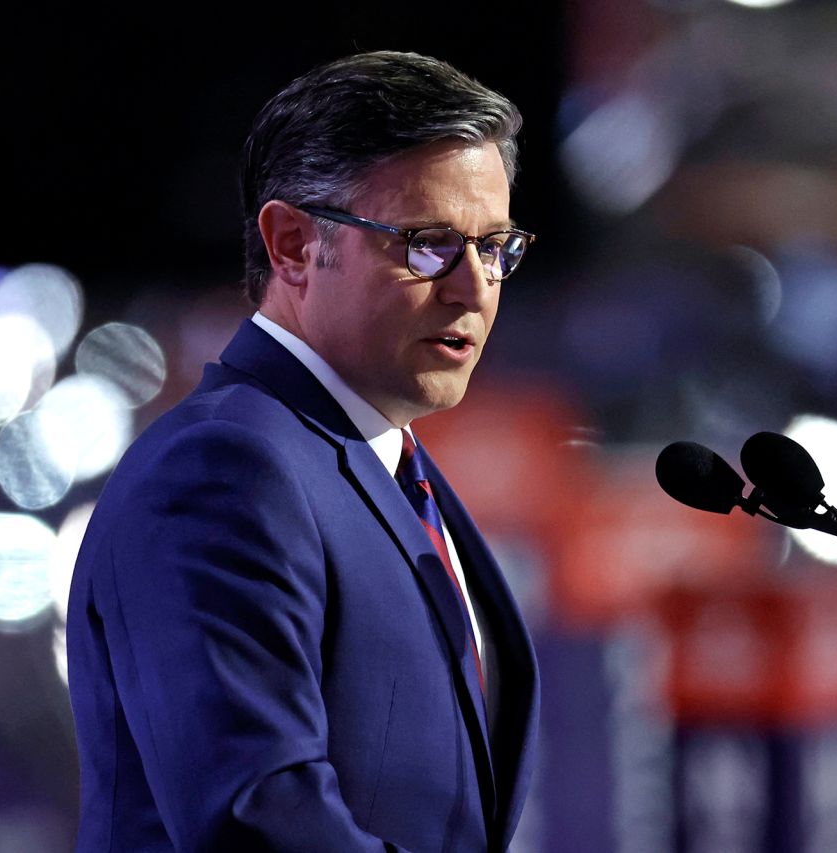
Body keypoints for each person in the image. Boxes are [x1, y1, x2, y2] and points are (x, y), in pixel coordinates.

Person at [67, 51, 539, 852]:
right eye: (428, 244)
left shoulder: (384, 466)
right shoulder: (223, 469)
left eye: (494, 246)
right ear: (291, 245)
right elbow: (257, 817)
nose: (474, 287)